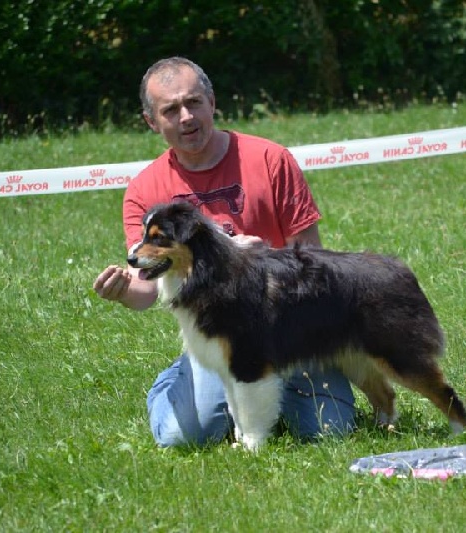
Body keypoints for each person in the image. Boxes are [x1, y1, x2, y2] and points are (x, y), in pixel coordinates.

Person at [93, 57, 356, 447]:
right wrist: (121, 291)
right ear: (152, 122)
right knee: (183, 437)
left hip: (289, 330)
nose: (186, 116)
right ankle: (177, 382)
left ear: (212, 102)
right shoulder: (145, 190)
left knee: (330, 430)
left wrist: (262, 256)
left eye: (194, 102)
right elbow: (146, 289)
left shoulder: (271, 160)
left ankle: (263, 396)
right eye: (170, 110)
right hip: (218, 334)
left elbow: (313, 260)